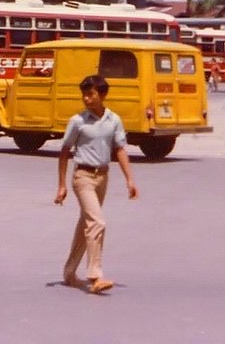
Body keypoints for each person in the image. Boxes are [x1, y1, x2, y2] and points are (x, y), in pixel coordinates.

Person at [55, 75, 139, 295]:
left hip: (102, 177)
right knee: (97, 222)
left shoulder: (114, 120)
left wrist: (129, 179)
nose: (86, 99)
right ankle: (95, 275)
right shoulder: (78, 121)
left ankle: (69, 271)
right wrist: (62, 185)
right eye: (84, 94)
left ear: (102, 95)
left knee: (87, 225)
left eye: (91, 94)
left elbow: (119, 149)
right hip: (82, 177)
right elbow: (64, 152)